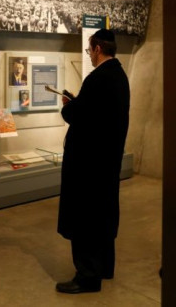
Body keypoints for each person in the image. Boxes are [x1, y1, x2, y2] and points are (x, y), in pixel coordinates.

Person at [56, 29, 130, 294]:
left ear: (98, 48)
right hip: (107, 162)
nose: (89, 54)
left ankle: (87, 276)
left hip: (88, 165)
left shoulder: (98, 78)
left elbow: (81, 116)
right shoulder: (119, 76)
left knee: (85, 218)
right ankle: (104, 267)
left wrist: (68, 105)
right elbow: (100, 114)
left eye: (89, 50)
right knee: (104, 215)